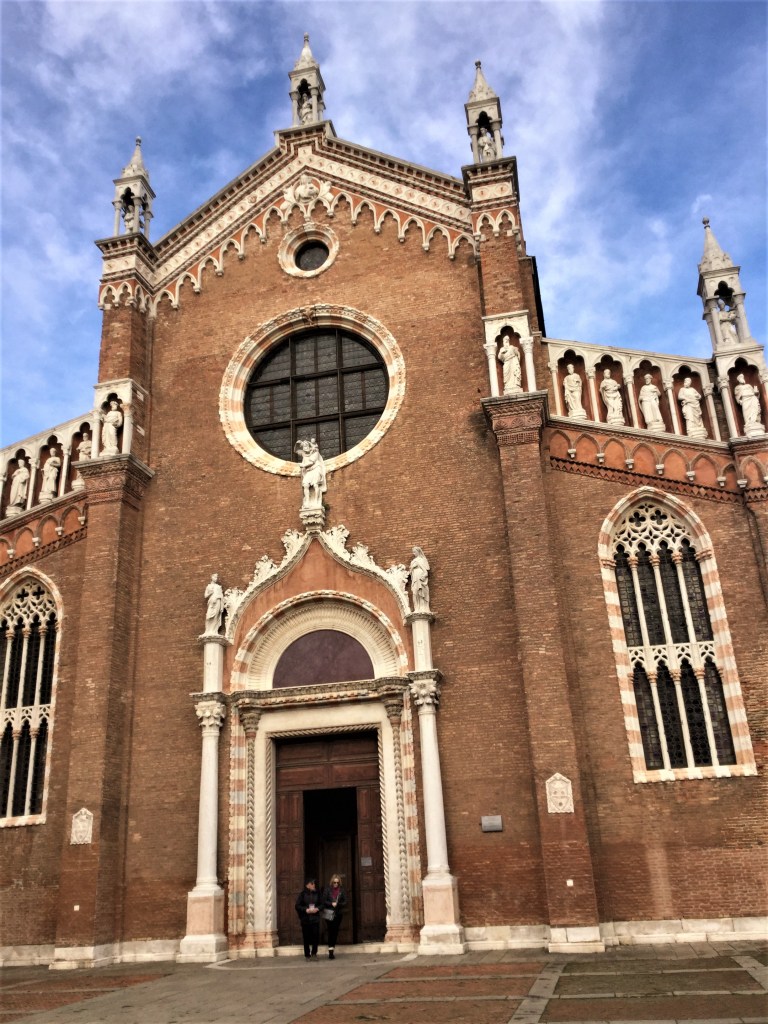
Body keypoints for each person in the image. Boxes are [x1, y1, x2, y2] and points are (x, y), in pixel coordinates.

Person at [321, 873, 347, 960]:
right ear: (331, 882)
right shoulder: (327, 890)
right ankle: (330, 950)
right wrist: (331, 903)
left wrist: (338, 904)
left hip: (338, 913)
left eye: (337, 883)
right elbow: (323, 901)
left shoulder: (342, 890)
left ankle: (332, 948)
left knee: (335, 931)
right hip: (329, 913)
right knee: (330, 931)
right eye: (334, 882)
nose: (336, 884)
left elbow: (345, 901)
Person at [295, 878, 321, 959]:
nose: (314, 885)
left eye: (314, 883)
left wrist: (317, 909)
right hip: (305, 919)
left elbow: (322, 904)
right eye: (312, 883)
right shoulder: (302, 894)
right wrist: (306, 910)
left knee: (315, 937)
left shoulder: (318, 894)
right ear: (308, 885)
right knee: (306, 937)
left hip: (315, 919)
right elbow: (297, 906)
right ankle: (307, 955)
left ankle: (314, 953)